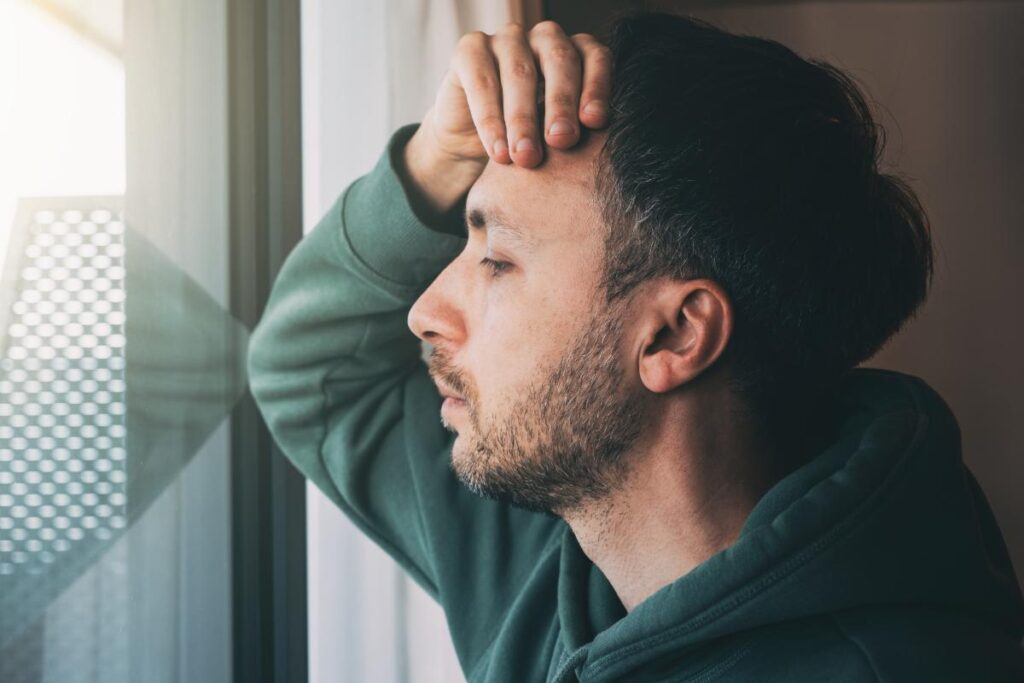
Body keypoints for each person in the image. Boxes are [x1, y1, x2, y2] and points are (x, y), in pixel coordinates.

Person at [246, 12, 1024, 682]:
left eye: (497, 260)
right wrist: (433, 164)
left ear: (675, 334)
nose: (422, 310)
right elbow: (316, 370)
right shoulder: (555, 557)